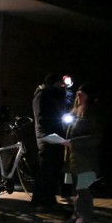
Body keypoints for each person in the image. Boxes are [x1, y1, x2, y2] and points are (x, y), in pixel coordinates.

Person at [62, 84, 103, 223]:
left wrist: (74, 142)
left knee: (84, 190)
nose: (78, 96)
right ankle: (77, 216)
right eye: (78, 93)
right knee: (76, 190)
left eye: (82, 94)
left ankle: (85, 221)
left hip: (85, 159)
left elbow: (95, 137)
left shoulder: (92, 113)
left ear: (88, 96)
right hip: (73, 158)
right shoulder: (75, 112)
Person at [31, 73, 67, 210]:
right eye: (60, 84)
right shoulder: (42, 94)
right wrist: (48, 135)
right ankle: (42, 200)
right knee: (46, 169)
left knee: (52, 169)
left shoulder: (52, 94)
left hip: (53, 136)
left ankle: (47, 199)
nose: (62, 86)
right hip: (47, 137)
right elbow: (41, 118)